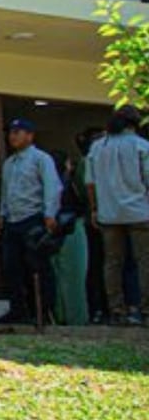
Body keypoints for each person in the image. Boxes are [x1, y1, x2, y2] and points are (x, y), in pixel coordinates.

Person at [0, 119, 62, 325]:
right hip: (13, 220)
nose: (13, 136)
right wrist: (1, 215)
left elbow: (52, 187)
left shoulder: (41, 159)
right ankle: (17, 310)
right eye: (11, 132)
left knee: (37, 267)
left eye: (18, 132)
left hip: (33, 218)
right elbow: (6, 192)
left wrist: (50, 214)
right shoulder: (9, 163)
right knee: (12, 268)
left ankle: (43, 311)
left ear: (30, 136)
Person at [85, 105, 149, 326]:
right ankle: (145, 310)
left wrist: (94, 209)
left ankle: (116, 310)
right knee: (144, 262)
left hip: (109, 213)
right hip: (140, 211)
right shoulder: (141, 146)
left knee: (112, 262)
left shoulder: (97, 147)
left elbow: (90, 183)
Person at [50, 148, 89, 326]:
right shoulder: (71, 183)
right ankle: (77, 318)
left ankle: (59, 316)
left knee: (55, 276)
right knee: (75, 277)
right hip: (72, 227)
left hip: (49, 228)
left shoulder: (45, 183)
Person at [76, 128, 108, 323]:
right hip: (95, 221)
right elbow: (84, 189)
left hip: (106, 217)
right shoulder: (85, 163)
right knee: (97, 265)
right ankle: (97, 309)